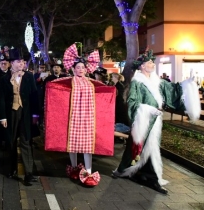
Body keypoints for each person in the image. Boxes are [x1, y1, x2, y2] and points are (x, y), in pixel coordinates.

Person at [113, 50, 201, 194]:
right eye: (149, 62)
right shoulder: (137, 82)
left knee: (149, 148)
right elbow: (132, 102)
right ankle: (145, 175)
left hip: (155, 121)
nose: (152, 64)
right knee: (140, 147)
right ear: (141, 66)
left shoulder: (156, 81)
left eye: (153, 62)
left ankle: (146, 175)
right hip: (144, 121)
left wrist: (187, 83)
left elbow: (173, 89)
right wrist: (148, 110)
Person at [60, 43, 103, 186]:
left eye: (82, 67)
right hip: (72, 118)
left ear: (86, 69)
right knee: (72, 144)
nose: (80, 69)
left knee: (87, 146)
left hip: (88, 119)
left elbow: (103, 95)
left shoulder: (92, 83)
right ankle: (73, 168)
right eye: (78, 67)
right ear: (73, 68)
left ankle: (88, 172)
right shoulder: (68, 82)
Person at [0, 48, 39, 186]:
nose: (21, 63)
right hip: (11, 112)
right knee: (11, 141)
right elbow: (1, 98)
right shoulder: (4, 79)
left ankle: (28, 173)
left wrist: (35, 114)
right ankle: (12, 169)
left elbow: (34, 96)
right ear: (12, 63)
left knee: (26, 142)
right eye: (18, 61)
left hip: (25, 113)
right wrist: (2, 117)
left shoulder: (29, 77)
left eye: (22, 61)